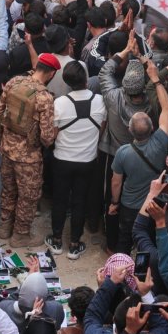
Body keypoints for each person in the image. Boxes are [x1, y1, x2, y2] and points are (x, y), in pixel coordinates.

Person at [0, 53, 61, 248]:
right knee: (28, 196)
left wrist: (2, 137)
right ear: (51, 73)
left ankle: (5, 227)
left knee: (8, 189)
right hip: (29, 157)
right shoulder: (44, 98)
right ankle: (21, 235)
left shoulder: (14, 81)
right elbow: (47, 138)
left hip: (6, 148)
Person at [108, 57, 168, 254]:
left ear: (130, 130)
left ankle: (120, 269)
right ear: (152, 127)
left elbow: (116, 182)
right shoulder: (161, 142)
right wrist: (156, 79)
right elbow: (167, 107)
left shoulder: (123, 152)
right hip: (153, 203)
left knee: (125, 239)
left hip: (129, 205)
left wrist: (114, 203)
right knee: (149, 241)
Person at [48, 61, 106, 260]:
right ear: (86, 80)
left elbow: (53, 134)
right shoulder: (100, 101)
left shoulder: (59, 104)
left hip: (62, 159)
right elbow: (102, 129)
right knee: (80, 201)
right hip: (87, 160)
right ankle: (74, 244)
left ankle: (56, 240)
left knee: (60, 199)